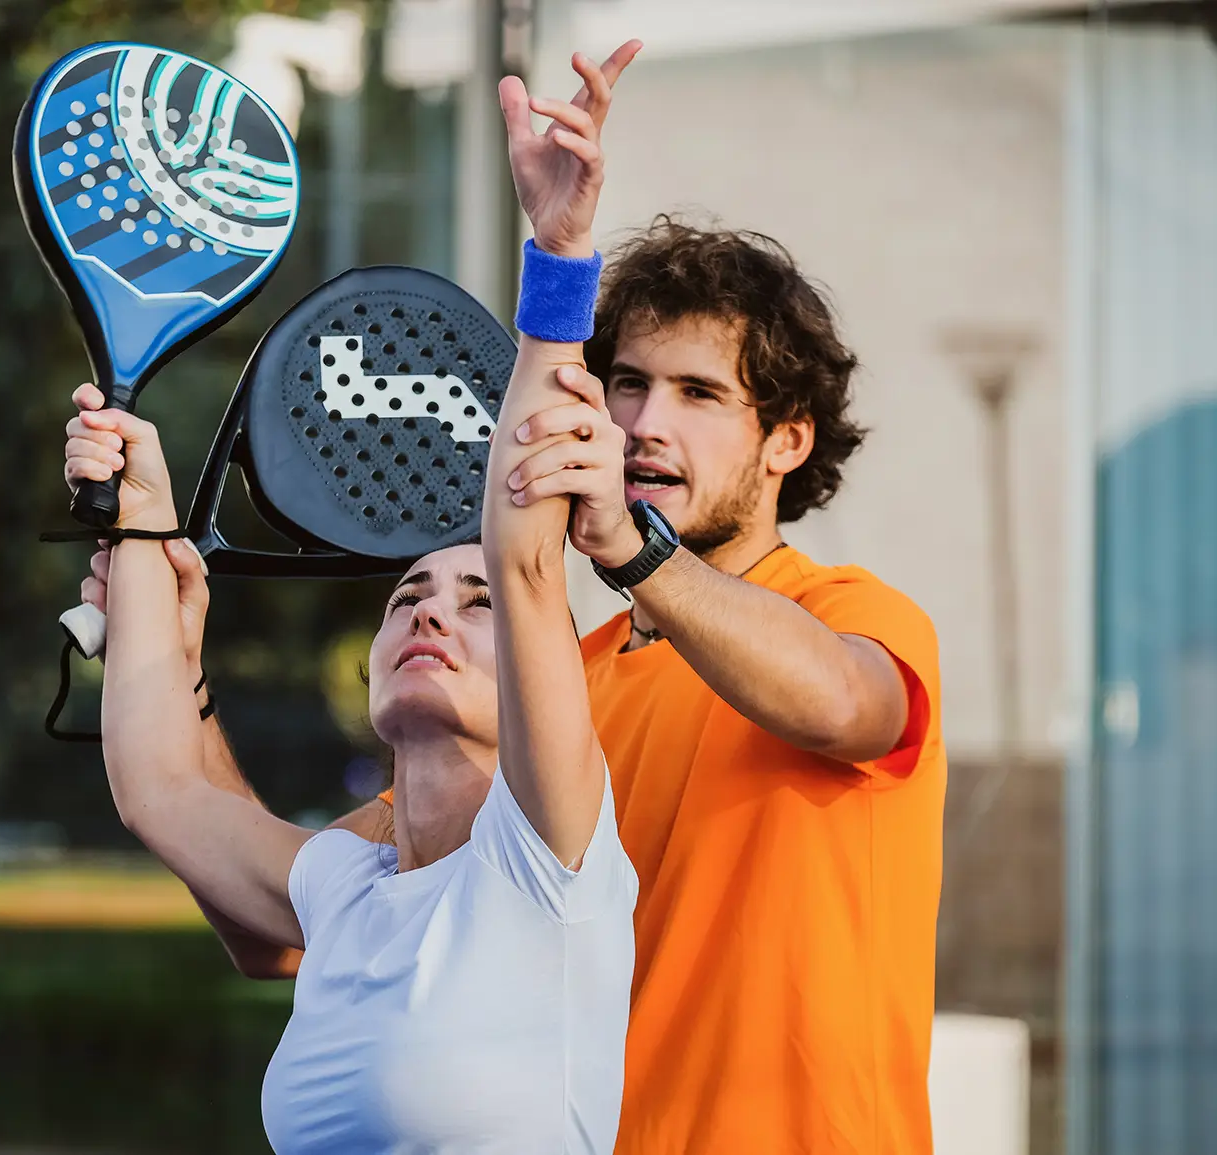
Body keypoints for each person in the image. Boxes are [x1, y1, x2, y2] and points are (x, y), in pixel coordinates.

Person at [148, 38, 948, 1155]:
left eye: (699, 394)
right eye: (626, 384)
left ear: (787, 442)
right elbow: (285, 921)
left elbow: (843, 703)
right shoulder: (554, 684)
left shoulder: (853, 611)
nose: (645, 424)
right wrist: (173, 663)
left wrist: (629, 547)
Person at [62, 44, 646, 1155]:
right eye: (407, 595)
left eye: (472, 604)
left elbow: (525, 552)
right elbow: (160, 786)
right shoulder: (346, 889)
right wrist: (141, 510)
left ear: (540, 666)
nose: (430, 608)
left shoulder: (550, 861)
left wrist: (560, 255)